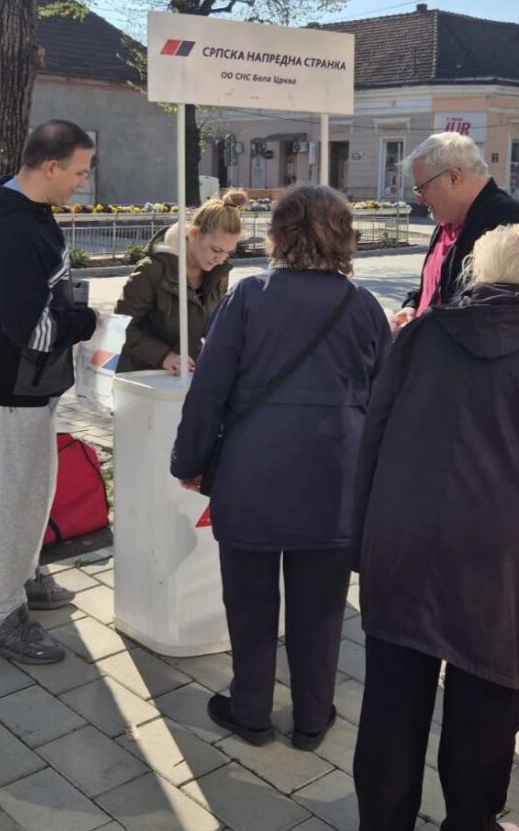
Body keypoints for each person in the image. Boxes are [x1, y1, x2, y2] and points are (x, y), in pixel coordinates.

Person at [352, 223, 519, 831]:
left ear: (478, 273)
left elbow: (373, 439)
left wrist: (362, 539)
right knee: (487, 714)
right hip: (502, 567)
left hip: (404, 546)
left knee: (391, 707)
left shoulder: (420, 336)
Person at [171, 185, 391, 751]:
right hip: (333, 482)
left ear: (278, 234)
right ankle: (313, 718)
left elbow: (209, 391)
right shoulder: (364, 306)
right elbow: (385, 403)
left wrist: (189, 461)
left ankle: (251, 711)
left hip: (252, 478)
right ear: (344, 237)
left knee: (249, 602)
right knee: (321, 610)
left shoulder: (248, 297)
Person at [0, 120, 100, 664]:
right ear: (52, 167)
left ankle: (23, 574)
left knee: (34, 489)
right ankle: (0, 615)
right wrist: (85, 321)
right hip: (6, 384)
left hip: (27, 384)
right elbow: (31, 331)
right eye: (80, 172)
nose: (82, 183)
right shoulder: (15, 230)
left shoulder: (28, 211)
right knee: (11, 498)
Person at [395, 132, 519, 333]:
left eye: (422, 188)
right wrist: (413, 305)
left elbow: (507, 316)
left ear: (454, 177)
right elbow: (439, 287)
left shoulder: (510, 223)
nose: (419, 199)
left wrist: (428, 331)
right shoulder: (448, 218)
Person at [115, 190, 247, 375]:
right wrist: (164, 356)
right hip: (144, 377)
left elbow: (213, 327)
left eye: (228, 252)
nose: (221, 259)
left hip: (187, 375)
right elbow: (120, 326)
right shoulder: (152, 270)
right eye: (216, 250)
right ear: (194, 234)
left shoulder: (219, 274)